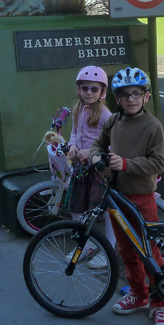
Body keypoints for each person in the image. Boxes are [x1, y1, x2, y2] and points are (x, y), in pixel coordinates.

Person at [90, 66, 164, 325]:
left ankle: (160, 304)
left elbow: (158, 163)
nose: (131, 99)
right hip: (116, 196)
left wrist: (125, 164)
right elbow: (98, 144)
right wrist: (96, 157)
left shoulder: (152, 126)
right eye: (124, 95)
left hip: (142, 198)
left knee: (150, 252)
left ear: (146, 96)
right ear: (117, 98)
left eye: (136, 93)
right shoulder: (113, 121)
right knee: (126, 250)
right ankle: (139, 294)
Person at [66, 66, 115, 269]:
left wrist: (91, 152)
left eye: (94, 89)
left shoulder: (105, 115)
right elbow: (74, 133)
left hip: (99, 170)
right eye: (84, 88)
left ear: (102, 91)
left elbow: (113, 144)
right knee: (78, 206)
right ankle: (86, 244)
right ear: (78, 89)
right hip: (82, 169)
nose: (88, 92)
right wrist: (72, 146)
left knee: (107, 210)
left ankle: (109, 249)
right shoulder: (78, 109)